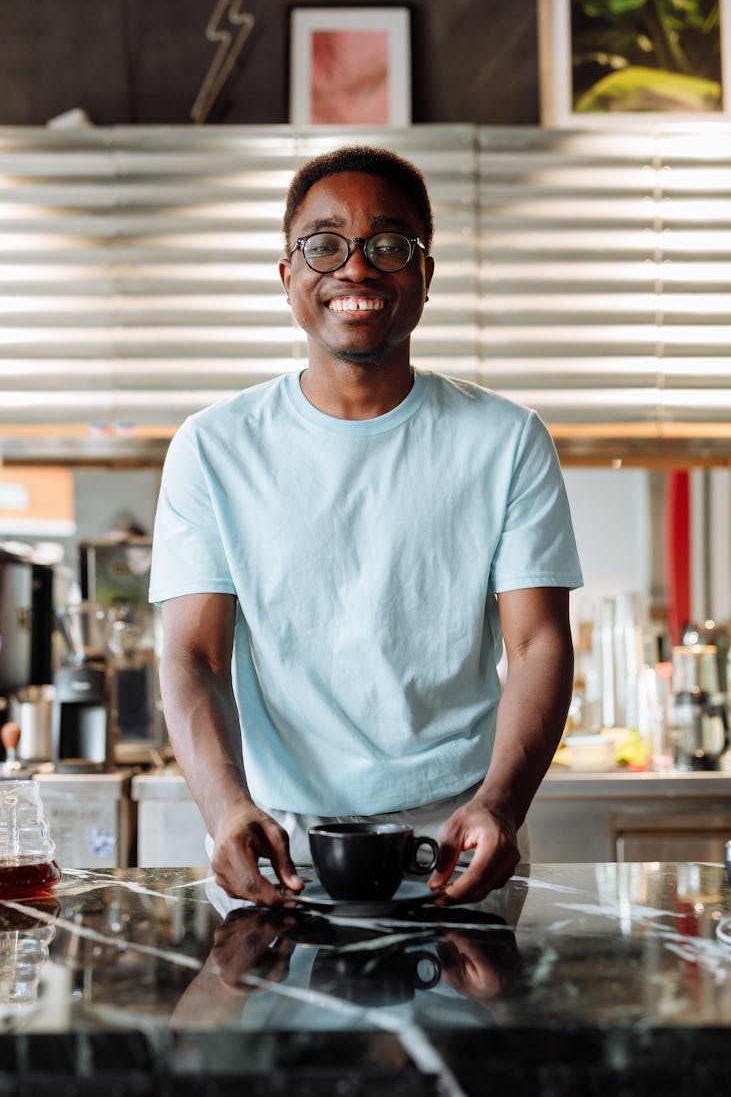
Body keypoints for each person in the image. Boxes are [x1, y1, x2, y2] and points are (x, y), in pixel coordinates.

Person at [149, 145, 583, 910]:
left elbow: (538, 643)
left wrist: (501, 805)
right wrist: (224, 809)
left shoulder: (507, 439)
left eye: (389, 244)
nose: (355, 268)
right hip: (275, 846)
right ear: (289, 277)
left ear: (424, 274)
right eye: (323, 244)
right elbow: (193, 654)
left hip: (456, 843)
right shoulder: (213, 446)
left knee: (469, 1036)